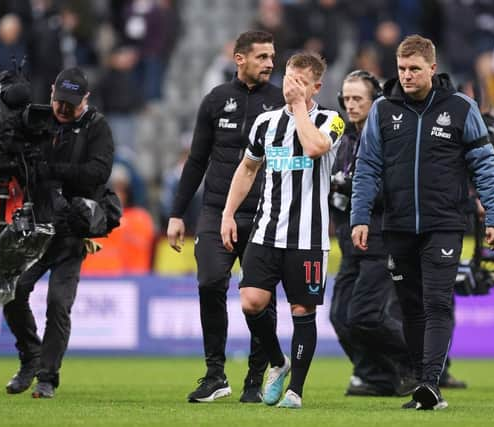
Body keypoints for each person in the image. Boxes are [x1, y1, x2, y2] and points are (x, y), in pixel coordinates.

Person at [350, 35, 494, 410]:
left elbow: (485, 165)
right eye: (401, 69)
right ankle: (424, 382)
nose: (406, 76)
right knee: (410, 307)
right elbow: (367, 168)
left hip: (444, 224)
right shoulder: (383, 111)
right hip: (398, 226)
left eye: (414, 69)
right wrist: (359, 217)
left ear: (432, 69)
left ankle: (431, 383)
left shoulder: (461, 108)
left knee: (437, 303)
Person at [166, 30, 285, 403]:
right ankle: (215, 373)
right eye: (262, 57)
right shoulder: (216, 100)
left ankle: (255, 378)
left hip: (265, 213)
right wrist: (177, 213)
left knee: (260, 298)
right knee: (210, 283)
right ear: (239, 59)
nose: (269, 63)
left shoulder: (282, 101)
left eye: (271, 57)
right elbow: (196, 160)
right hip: (217, 212)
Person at [221, 52, 344, 409]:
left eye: (300, 82)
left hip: (308, 237)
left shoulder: (330, 120)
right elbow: (247, 169)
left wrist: (300, 107)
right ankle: (277, 361)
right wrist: (228, 213)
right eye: (288, 79)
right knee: (251, 301)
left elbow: (315, 146)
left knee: (302, 311)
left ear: (316, 87)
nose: (290, 87)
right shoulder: (265, 123)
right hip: (266, 232)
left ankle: (296, 391)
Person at [0, 67, 114, 398]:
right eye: (59, 101)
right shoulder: (35, 120)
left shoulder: (97, 127)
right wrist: (5, 168)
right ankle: (30, 356)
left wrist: (51, 170)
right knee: (13, 291)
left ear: (86, 100)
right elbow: (15, 159)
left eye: (71, 104)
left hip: (70, 229)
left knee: (58, 304)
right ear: (51, 92)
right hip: (34, 224)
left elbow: (98, 173)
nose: (63, 109)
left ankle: (47, 376)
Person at [329, 70, 415, 397]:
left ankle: (418, 362)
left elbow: (394, 191)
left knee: (365, 314)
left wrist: (345, 186)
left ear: (374, 100)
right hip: (349, 241)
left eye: (357, 99)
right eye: (346, 99)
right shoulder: (345, 139)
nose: (350, 106)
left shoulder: (390, 140)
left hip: (380, 238)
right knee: (340, 317)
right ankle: (374, 375)